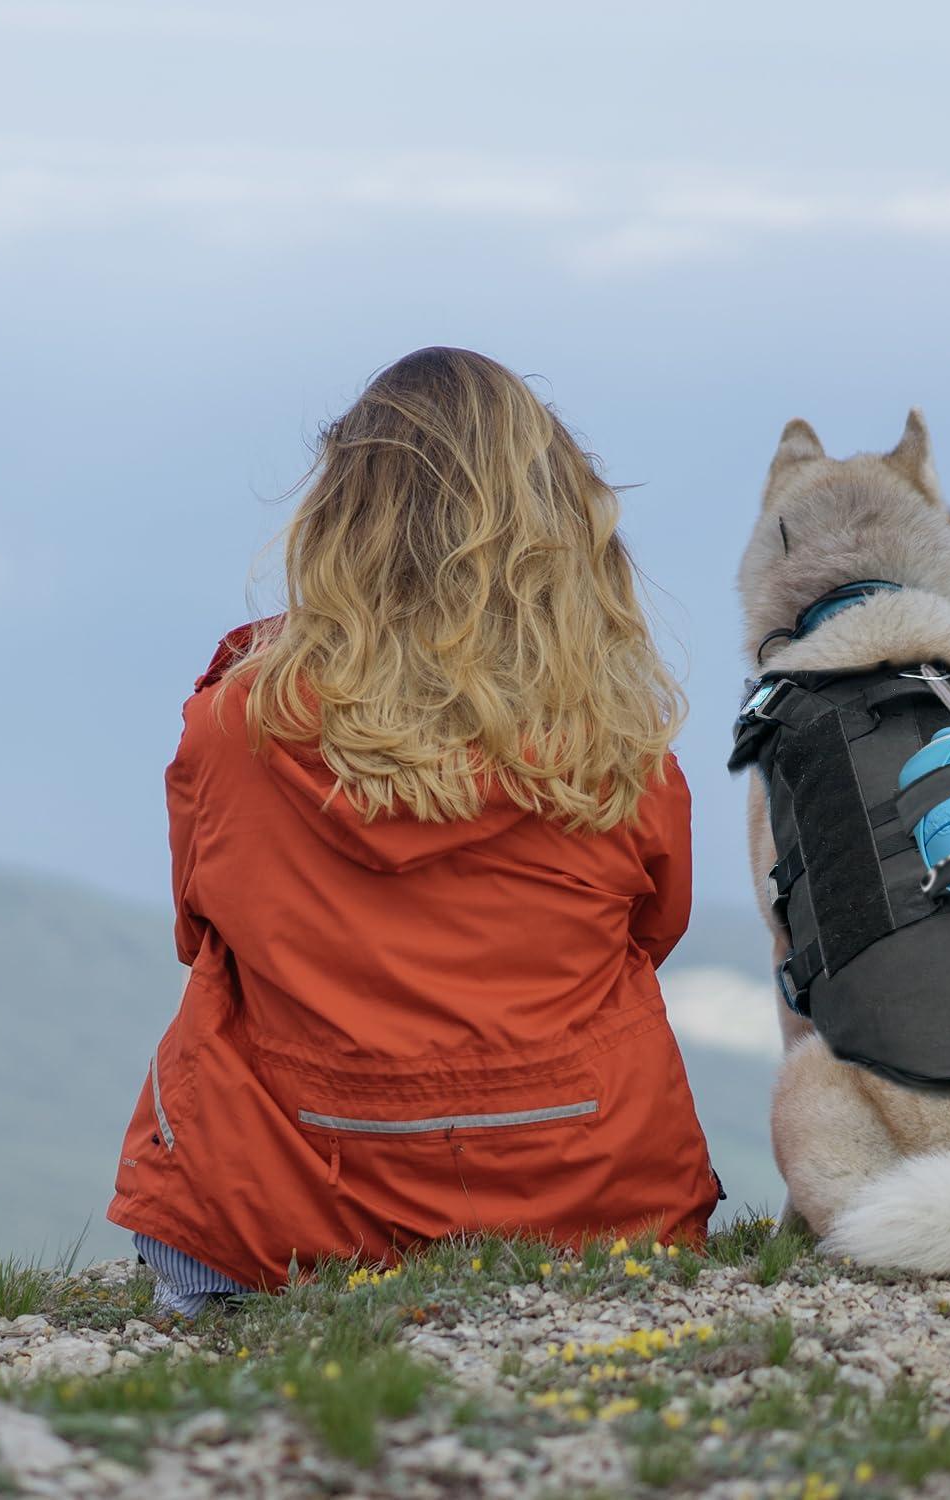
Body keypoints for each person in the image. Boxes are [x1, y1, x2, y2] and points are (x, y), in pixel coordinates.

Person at [108, 347, 719, 1314]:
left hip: (277, 1218)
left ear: (339, 521)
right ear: (561, 526)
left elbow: (198, 929)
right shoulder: (620, 746)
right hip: (595, 1211)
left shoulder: (235, 727)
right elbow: (655, 931)